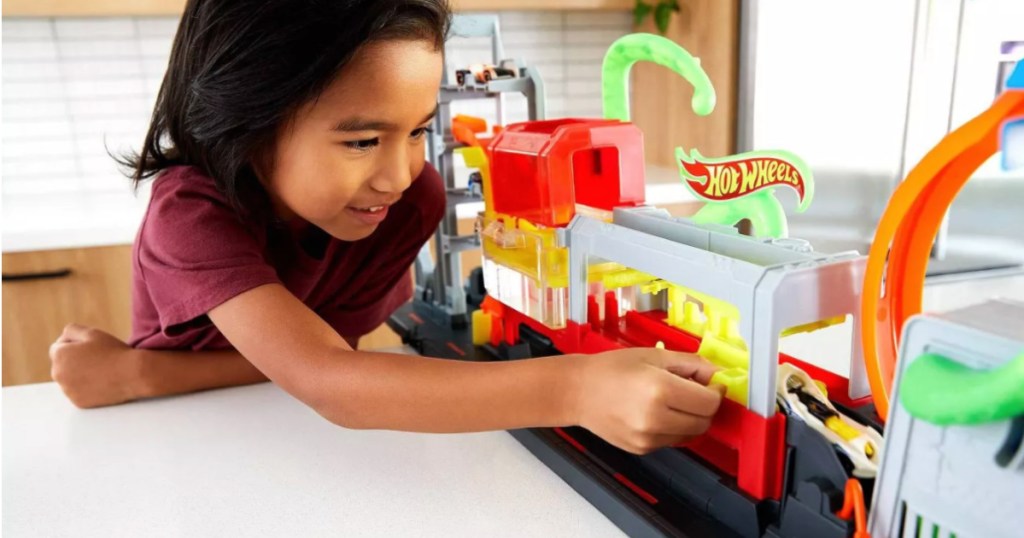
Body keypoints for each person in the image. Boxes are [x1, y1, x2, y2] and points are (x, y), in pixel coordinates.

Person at [48, 0, 723, 455]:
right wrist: (577, 387)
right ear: (248, 126)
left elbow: (332, 357)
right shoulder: (189, 214)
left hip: (305, 445)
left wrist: (137, 374)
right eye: (362, 141)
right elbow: (331, 377)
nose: (398, 175)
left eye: (416, 132)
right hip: (177, 445)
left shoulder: (408, 203)